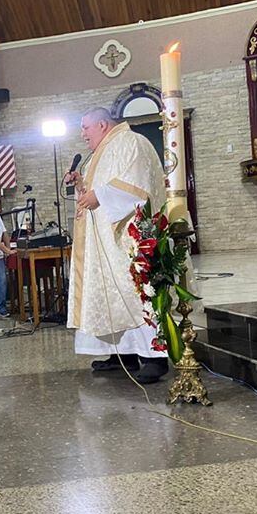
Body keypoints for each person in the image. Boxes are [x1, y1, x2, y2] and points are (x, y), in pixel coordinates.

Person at [63, 108, 169, 383]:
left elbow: (137, 185)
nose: (82, 134)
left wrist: (99, 195)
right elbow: (96, 192)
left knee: (133, 293)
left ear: (102, 124)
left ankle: (154, 357)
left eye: (86, 127)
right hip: (103, 242)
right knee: (110, 297)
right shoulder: (101, 151)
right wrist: (81, 184)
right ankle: (123, 353)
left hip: (126, 239)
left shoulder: (130, 142)